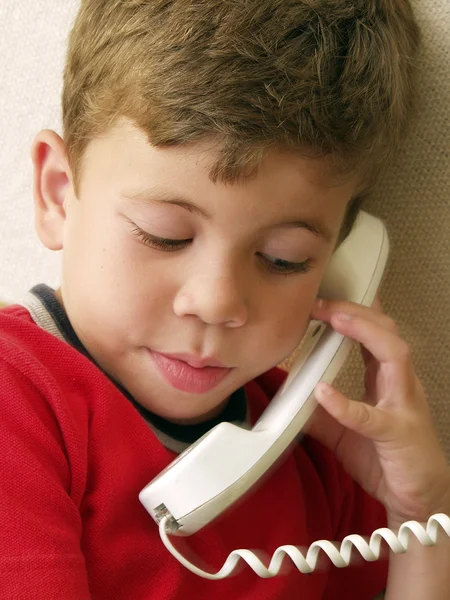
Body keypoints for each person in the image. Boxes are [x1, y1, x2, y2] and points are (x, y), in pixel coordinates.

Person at [1, 0, 449, 598]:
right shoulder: (20, 403)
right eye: (165, 233)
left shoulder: (318, 460)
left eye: (283, 259)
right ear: (59, 195)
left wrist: (419, 518)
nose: (217, 302)